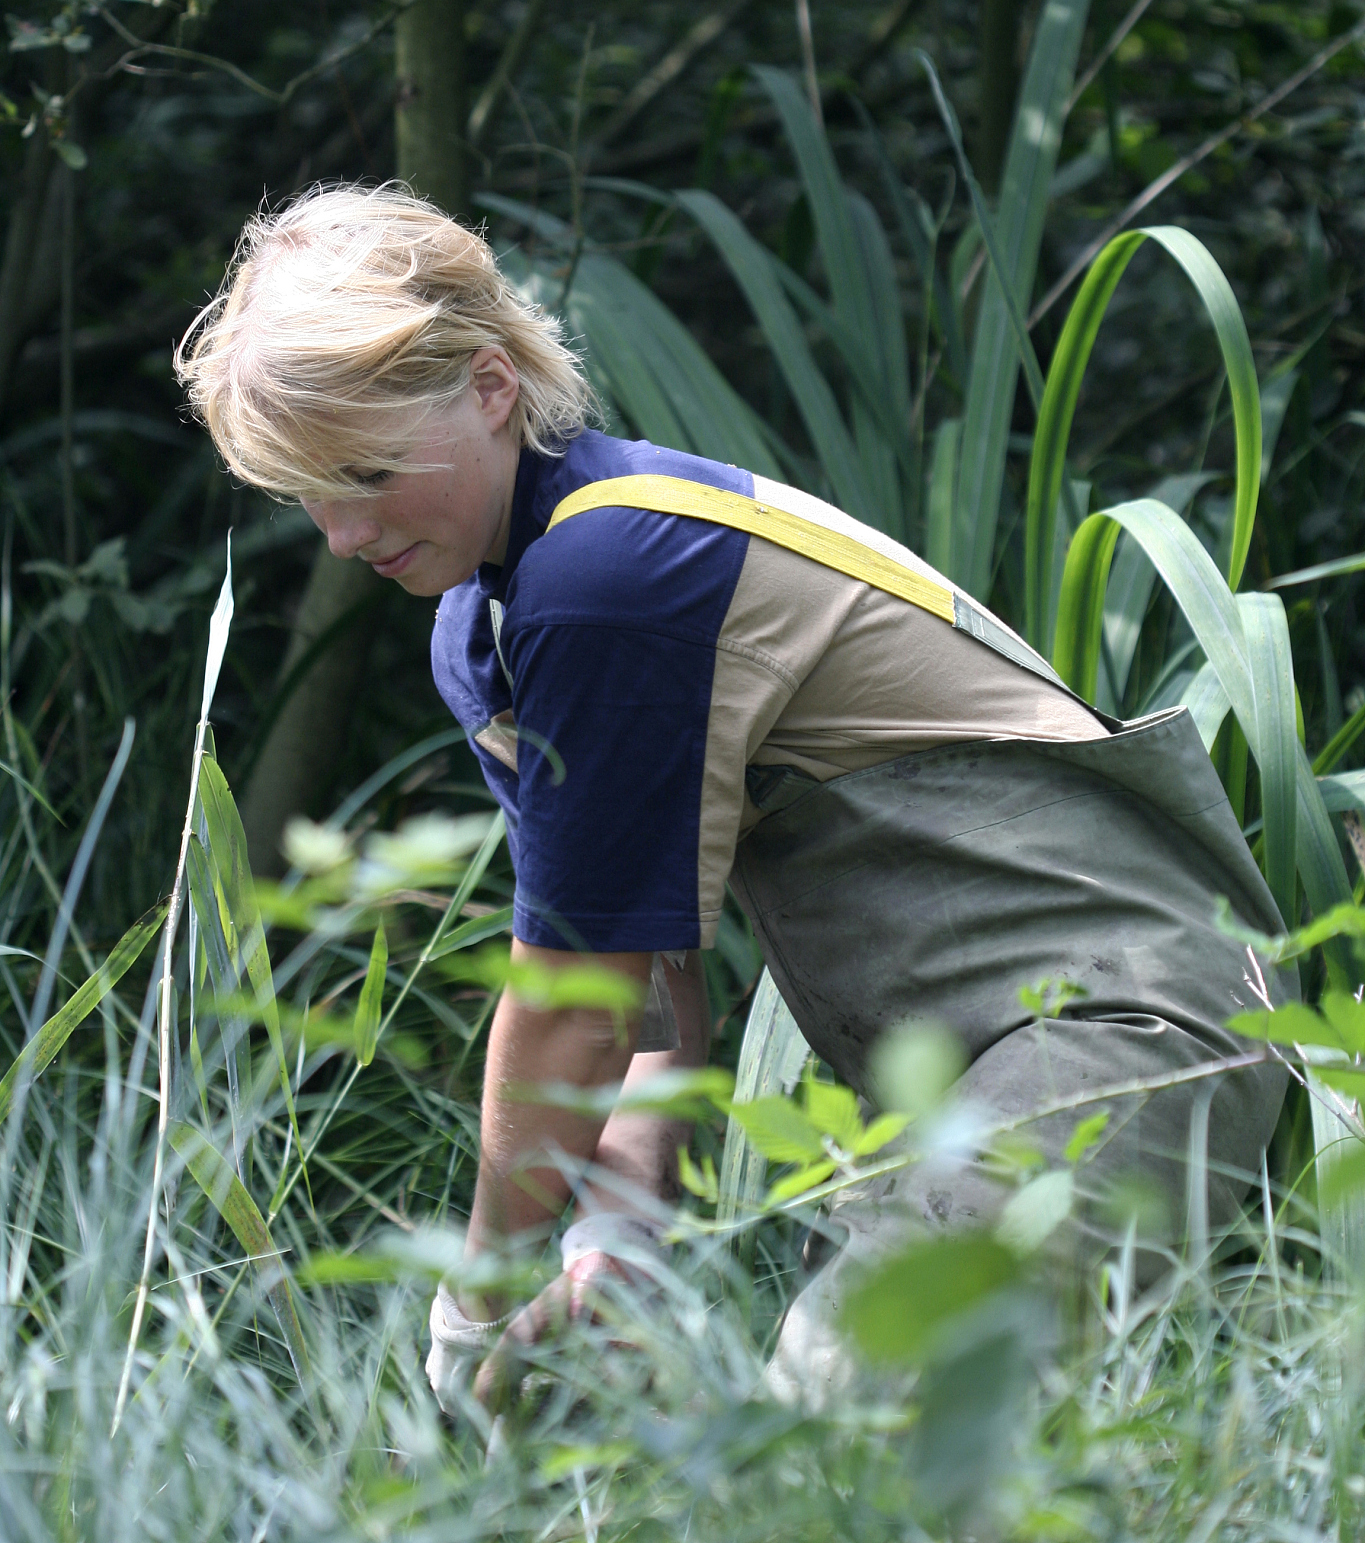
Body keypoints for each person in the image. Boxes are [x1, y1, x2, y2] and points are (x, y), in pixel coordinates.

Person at [177, 181, 1294, 1409]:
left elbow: (571, 1005)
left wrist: (468, 1306)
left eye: (367, 470)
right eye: (307, 491)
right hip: (979, 1072)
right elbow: (647, 985)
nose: (341, 533)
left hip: (1123, 1021)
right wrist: (616, 1235)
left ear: (490, 385)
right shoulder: (491, 621)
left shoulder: (606, 573)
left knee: (851, 1422)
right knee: (825, 1457)